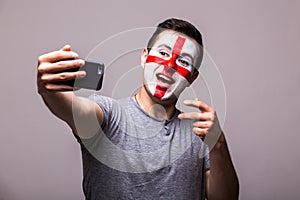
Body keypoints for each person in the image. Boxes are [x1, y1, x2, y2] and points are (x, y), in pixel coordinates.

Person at [37, 18, 239, 199]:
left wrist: (219, 144)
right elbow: (73, 109)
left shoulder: (201, 132)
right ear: (144, 57)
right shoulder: (109, 114)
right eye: (163, 53)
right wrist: (49, 90)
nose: (169, 66)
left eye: (183, 61)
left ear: (192, 78)